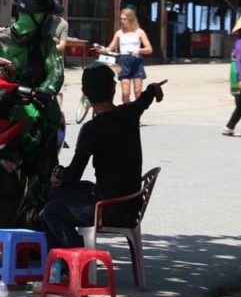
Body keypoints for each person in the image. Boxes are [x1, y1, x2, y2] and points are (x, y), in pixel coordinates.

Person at [41, 62, 164, 249]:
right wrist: (153, 88)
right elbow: (146, 97)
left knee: (50, 208)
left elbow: (73, 175)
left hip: (109, 209)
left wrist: (58, 175)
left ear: (84, 92)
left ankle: (76, 258)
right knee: (82, 188)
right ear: (113, 89)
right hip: (131, 206)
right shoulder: (129, 112)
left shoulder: (92, 129)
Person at [0, 0, 65, 175]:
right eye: (50, 16)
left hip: (34, 105)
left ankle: (42, 185)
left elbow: (56, 74)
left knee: (43, 157)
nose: (53, 20)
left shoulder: (46, 45)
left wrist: (45, 90)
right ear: (39, 17)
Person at [98, 8, 153, 103]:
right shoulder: (119, 33)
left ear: (131, 19)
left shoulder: (139, 32)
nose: (122, 21)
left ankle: (137, 113)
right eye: (121, 19)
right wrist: (103, 50)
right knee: (125, 94)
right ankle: (127, 113)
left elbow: (149, 49)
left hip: (136, 61)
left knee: (138, 92)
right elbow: (110, 48)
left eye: (125, 19)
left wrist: (139, 50)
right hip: (123, 61)